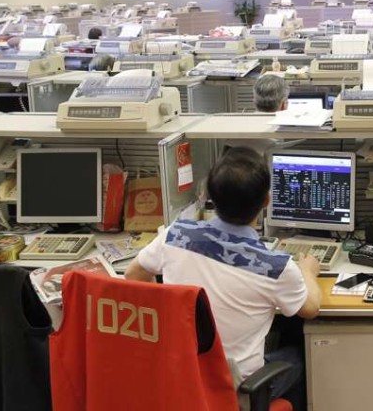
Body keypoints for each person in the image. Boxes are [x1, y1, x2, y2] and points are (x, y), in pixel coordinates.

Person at [126, 147, 320, 409]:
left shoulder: (175, 235)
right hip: (238, 390)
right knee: (301, 353)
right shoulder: (275, 266)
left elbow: (133, 275)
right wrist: (308, 271)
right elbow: (310, 309)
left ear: (209, 197)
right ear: (267, 201)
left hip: (182, 375)